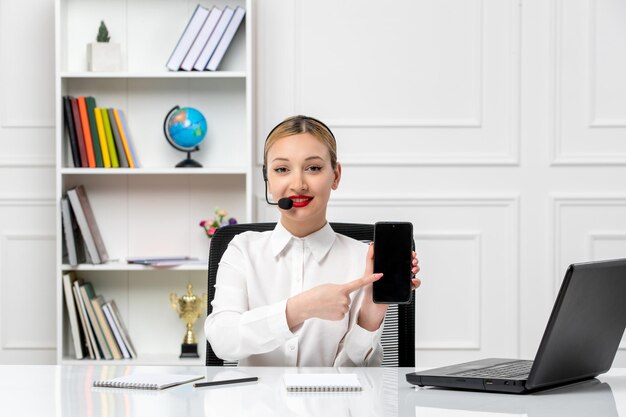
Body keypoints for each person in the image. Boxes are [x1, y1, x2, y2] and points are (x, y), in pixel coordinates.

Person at [204, 115, 420, 366]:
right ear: (268, 179)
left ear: (335, 176)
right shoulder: (242, 250)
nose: (298, 184)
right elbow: (223, 340)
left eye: (313, 168)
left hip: (333, 405)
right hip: (256, 404)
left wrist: (370, 315)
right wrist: (300, 308)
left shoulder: (364, 260)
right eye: (282, 169)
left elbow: (358, 376)